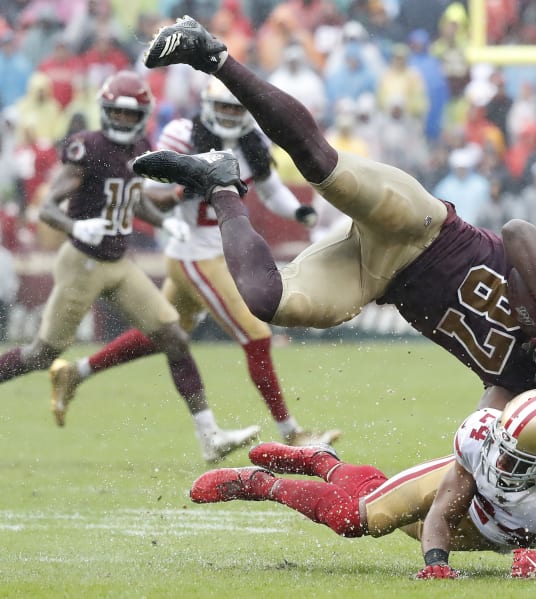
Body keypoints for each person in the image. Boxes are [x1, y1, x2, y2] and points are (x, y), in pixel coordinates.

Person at [135, 17, 536, 414]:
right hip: (423, 226)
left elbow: (479, 438)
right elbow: (519, 232)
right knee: (320, 166)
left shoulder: (525, 389)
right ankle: (212, 55)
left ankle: (220, 184)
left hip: (377, 278)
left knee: (266, 300)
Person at [50, 76, 340, 448]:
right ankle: (292, 435)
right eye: (223, 107)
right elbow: (146, 187)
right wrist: (184, 185)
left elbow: (269, 188)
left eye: (236, 108)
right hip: (196, 255)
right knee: (256, 336)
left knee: (164, 334)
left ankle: (76, 372)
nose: (229, 115)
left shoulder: (251, 142)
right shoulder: (182, 135)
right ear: (207, 105)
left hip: (216, 252)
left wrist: (298, 211)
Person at [0, 70, 260, 463]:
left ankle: (210, 435)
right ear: (105, 112)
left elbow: (134, 199)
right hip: (82, 263)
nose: (122, 122)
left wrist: (162, 219)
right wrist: (76, 225)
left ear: (141, 116)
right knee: (42, 353)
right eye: (116, 114)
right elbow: (49, 208)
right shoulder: (86, 147)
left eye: (129, 115)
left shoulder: (140, 145)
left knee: (172, 335)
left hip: (118, 262)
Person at [190, 389, 536, 579]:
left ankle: (322, 460)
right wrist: (437, 563)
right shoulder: (481, 437)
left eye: (516, 456)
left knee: (369, 496)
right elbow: (443, 509)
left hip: (479, 528)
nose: (500, 457)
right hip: (448, 497)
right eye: (504, 443)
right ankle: (259, 484)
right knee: (358, 516)